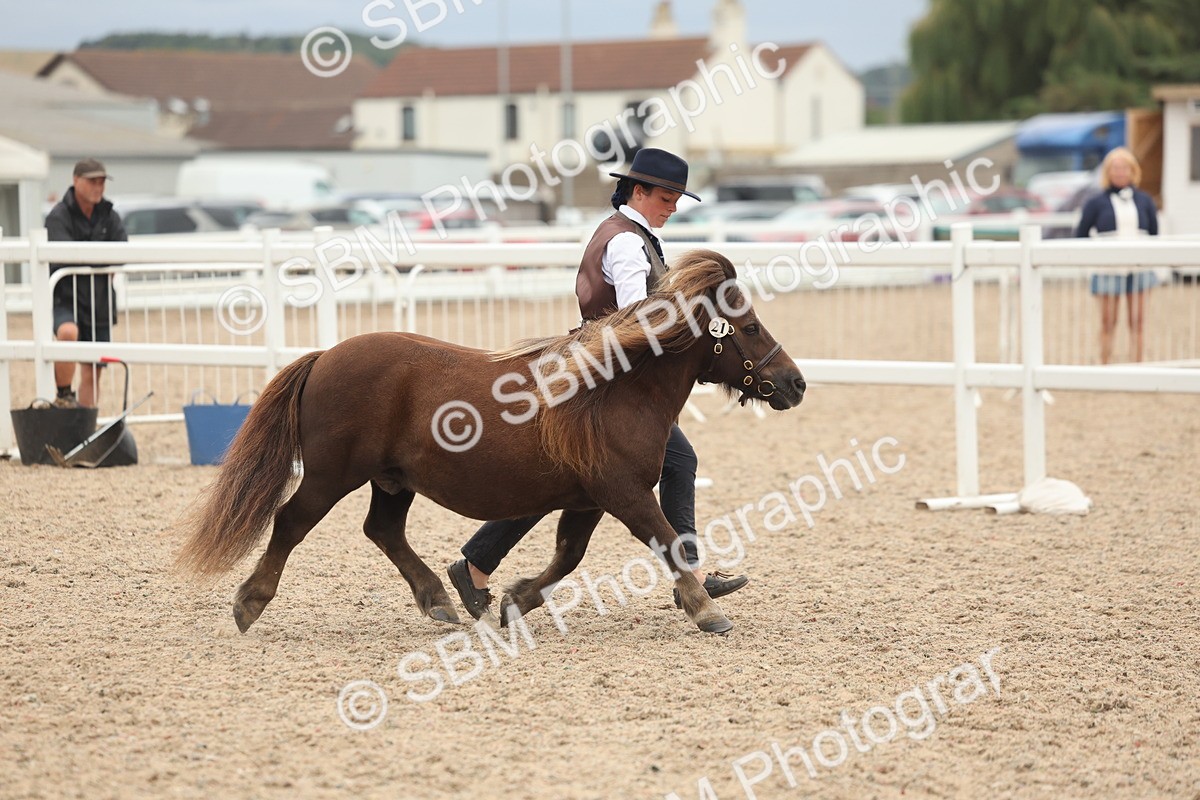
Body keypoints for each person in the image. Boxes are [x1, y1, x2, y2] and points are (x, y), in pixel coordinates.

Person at [447, 148, 748, 620]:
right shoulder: (627, 242)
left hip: (609, 373)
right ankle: (687, 573)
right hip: (609, 380)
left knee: (575, 476)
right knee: (574, 474)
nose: (672, 207)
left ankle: (476, 564)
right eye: (666, 197)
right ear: (638, 190)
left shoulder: (636, 235)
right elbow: (637, 315)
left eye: (677, 200)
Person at [45, 158, 127, 407]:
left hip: (99, 300)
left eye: (101, 181)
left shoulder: (109, 214)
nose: (98, 186)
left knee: (93, 370)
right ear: (76, 180)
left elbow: (122, 251)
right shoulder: (58, 215)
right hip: (67, 297)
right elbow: (62, 259)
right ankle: (64, 396)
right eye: (93, 181)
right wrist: (102, 263)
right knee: (68, 333)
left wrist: (93, 263)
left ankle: (86, 425)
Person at [1074, 147, 1159, 364]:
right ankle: (1105, 362)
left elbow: (1154, 233)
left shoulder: (1144, 200)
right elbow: (1081, 234)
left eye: (1124, 168)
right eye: (1115, 168)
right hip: (1109, 269)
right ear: (1108, 172)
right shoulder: (1095, 202)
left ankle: (1137, 362)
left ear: (1132, 171)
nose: (1120, 172)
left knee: (1138, 321)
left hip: (1139, 268)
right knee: (1108, 321)